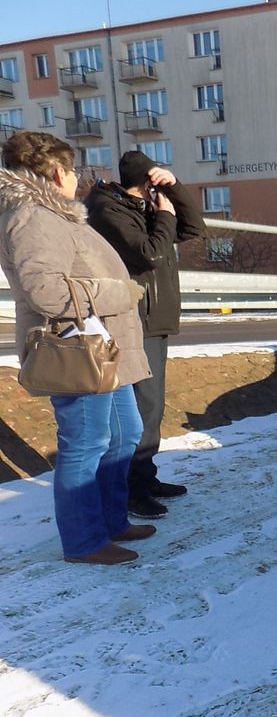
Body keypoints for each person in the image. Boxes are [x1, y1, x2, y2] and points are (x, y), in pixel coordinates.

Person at [0, 132, 154, 565]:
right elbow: (45, 292)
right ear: (56, 172)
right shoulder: (32, 217)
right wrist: (118, 293)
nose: (76, 177)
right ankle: (84, 541)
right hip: (76, 350)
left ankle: (111, 519)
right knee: (86, 444)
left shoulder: (58, 215)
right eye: (73, 170)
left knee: (125, 434)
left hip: (104, 347)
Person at [86, 150, 204, 519]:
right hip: (134, 319)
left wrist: (177, 191)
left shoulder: (143, 209)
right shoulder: (110, 210)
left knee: (150, 407)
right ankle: (132, 490)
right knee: (141, 408)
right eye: (157, 183)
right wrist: (164, 215)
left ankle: (145, 478)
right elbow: (149, 254)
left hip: (154, 318)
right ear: (144, 183)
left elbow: (194, 228)